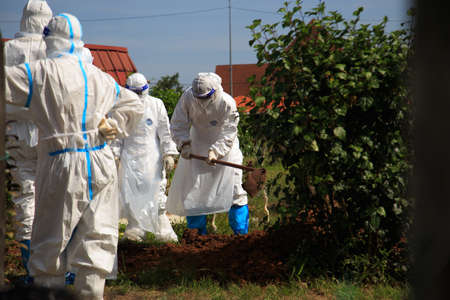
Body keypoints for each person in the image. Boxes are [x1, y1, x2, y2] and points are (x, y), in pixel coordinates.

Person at [4, 13, 143, 300]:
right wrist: (113, 126)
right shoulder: (98, 76)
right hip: (101, 161)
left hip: (62, 162)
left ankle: (48, 293)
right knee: (98, 238)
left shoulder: (38, 72)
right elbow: (133, 104)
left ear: (48, 39)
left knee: (51, 241)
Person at [4, 0, 52, 283]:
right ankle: (54, 266)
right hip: (51, 133)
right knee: (55, 199)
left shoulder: (9, 50)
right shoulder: (55, 50)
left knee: (26, 199)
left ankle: (31, 266)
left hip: (18, 134)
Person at [167, 72, 249, 235]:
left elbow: (229, 132)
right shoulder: (188, 97)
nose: (201, 101)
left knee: (235, 191)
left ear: (214, 92)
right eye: (199, 97)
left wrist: (216, 152)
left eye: (205, 97)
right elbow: (178, 123)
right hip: (196, 146)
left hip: (226, 149)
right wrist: (184, 144)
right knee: (194, 190)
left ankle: (241, 235)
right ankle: (196, 235)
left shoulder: (227, 102)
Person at [115, 72, 178, 242]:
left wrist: (168, 153)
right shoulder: (120, 107)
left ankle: (163, 233)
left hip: (153, 159)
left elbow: (165, 132)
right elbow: (117, 136)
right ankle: (135, 231)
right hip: (129, 159)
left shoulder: (156, 105)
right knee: (131, 196)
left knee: (157, 197)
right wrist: (114, 157)